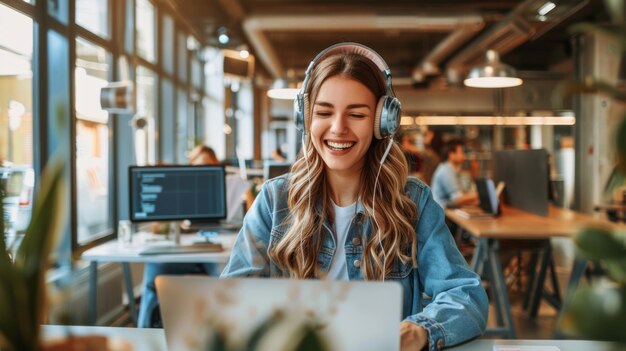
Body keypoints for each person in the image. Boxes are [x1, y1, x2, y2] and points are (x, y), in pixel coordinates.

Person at [220, 43, 487, 351]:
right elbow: (230, 299)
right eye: (323, 112)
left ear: (382, 122)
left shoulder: (412, 201)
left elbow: (467, 296)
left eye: (356, 114)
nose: (338, 128)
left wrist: (420, 331)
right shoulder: (274, 199)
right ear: (305, 118)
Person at [137, 145, 249, 328]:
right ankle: (143, 334)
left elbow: (250, 220)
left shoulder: (229, 186)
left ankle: (223, 332)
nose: (205, 173)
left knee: (227, 279)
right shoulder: (181, 187)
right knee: (152, 277)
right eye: (200, 167)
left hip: (216, 252)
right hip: (184, 252)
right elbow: (157, 228)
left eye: (210, 167)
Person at [431, 138, 478, 209]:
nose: (464, 156)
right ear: (451, 154)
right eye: (462, 152)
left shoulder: (452, 170)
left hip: (445, 211)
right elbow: (458, 199)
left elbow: (464, 192)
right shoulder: (446, 171)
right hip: (441, 214)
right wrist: (481, 195)